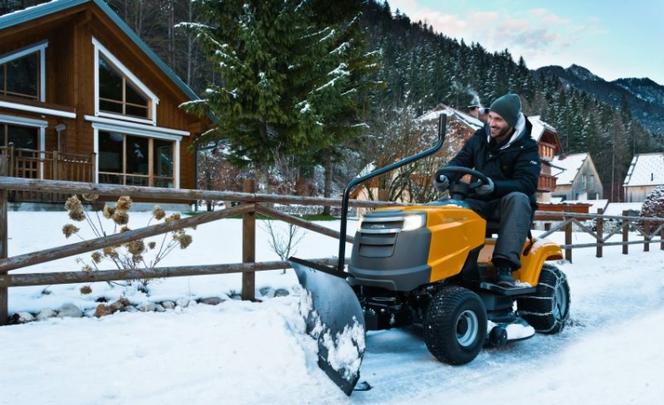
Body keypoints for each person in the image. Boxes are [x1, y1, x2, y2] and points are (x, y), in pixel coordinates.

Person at [436, 93, 541, 288]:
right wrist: (446, 176)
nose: (492, 123)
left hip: (506, 206)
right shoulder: (480, 137)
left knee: (518, 198)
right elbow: (461, 161)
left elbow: (526, 183)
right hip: (480, 199)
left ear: (510, 122)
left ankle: (504, 267)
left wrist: (495, 186)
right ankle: (453, 266)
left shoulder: (527, 147)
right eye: (491, 117)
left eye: (498, 119)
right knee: (449, 207)